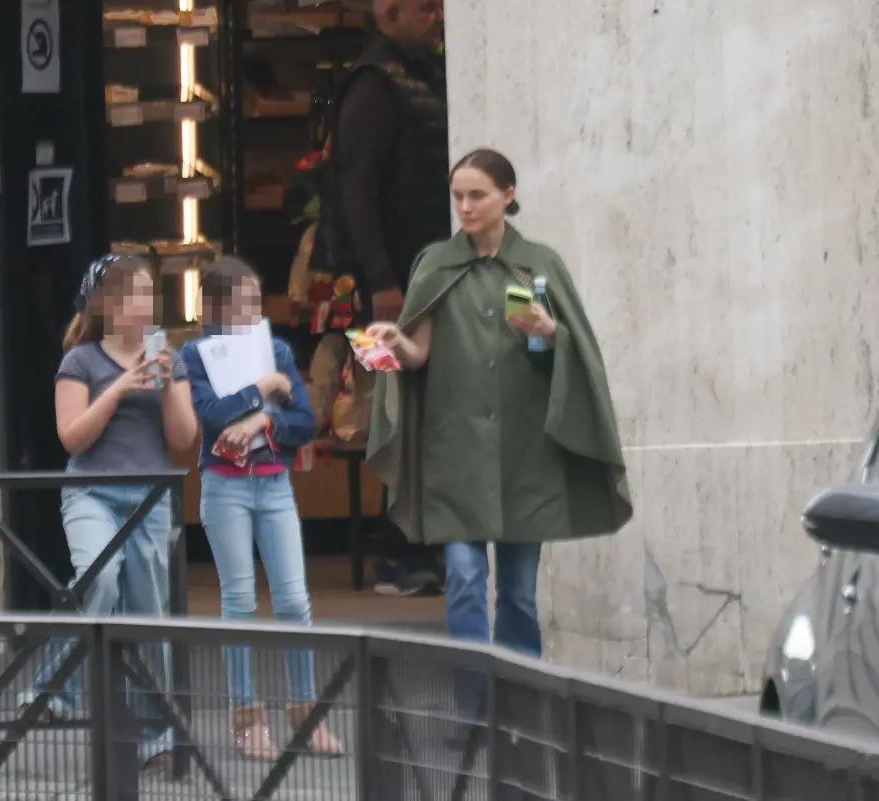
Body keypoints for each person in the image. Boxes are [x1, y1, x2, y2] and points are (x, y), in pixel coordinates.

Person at [365, 149, 633, 665]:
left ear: (507, 196)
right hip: (454, 452)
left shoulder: (539, 265)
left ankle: (518, 700)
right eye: (458, 196)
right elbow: (418, 354)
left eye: (477, 195)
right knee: (465, 580)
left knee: (518, 595)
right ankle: (475, 702)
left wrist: (551, 333)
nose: (465, 207)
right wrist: (395, 341)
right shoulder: (436, 265)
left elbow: (578, 357)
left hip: (525, 455)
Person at [21, 253, 198, 771]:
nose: (146, 304)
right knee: (98, 577)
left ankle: (153, 735)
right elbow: (72, 437)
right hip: (92, 492)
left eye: (149, 293)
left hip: (151, 496)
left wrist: (167, 385)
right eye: (135, 295)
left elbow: (184, 439)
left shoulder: (169, 356)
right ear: (108, 305)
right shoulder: (81, 361)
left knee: (146, 607)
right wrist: (120, 388)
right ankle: (51, 691)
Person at [182, 256, 342, 760]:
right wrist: (263, 390)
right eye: (244, 303)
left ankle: (306, 713)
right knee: (240, 602)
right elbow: (210, 415)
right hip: (224, 486)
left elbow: (304, 422)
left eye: (256, 301)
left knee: (294, 600)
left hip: (274, 484)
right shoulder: (195, 354)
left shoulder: (276, 350)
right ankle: (247, 718)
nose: (254, 312)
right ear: (215, 307)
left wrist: (262, 422)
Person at [318, 0, 449, 596]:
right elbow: (357, 191)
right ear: (389, 14)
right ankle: (399, 549)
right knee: (391, 412)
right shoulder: (372, 86)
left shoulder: (428, 72)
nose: (438, 16)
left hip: (422, 281)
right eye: (425, 7)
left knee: (425, 411)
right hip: (384, 292)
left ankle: (416, 541)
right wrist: (380, 281)